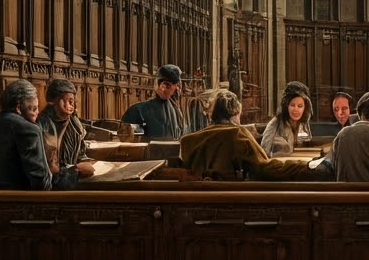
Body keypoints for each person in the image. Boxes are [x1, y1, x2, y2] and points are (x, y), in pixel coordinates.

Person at [181, 90, 330, 181]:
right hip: (231, 199)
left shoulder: (189, 140)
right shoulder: (236, 134)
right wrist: (306, 165)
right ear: (235, 113)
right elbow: (264, 169)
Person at [0, 79, 65, 190]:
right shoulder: (29, 130)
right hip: (11, 203)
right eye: (34, 108)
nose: (37, 113)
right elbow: (42, 184)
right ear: (18, 106)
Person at [36, 78, 95, 186]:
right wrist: (75, 169)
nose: (72, 105)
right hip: (50, 183)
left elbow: (81, 154)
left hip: (71, 176)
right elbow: (49, 167)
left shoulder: (74, 124)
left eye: (73, 101)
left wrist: (85, 162)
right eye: (68, 101)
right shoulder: (41, 124)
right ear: (52, 101)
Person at [121, 63, 186, 138]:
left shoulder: (176, 111)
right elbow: (126, 134)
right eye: (164, 84)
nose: (163, 88)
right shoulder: (137, 110)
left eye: (168, 85)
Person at [260, 80, 314, 156]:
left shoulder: (303, 124)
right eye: (292, 105)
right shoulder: (275, 123)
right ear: (286, 106)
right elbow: (264, 152)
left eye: (300, 106)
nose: (296, 109)